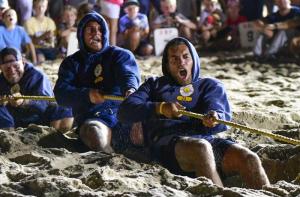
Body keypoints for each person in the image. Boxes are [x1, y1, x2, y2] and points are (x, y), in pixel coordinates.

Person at [118, 37, 270, 189]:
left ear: (194, 59)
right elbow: (125, 110)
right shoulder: (154, 84)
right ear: (167, 64)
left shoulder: (210, 85)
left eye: (186, 57)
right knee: (201, 148)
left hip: (207, 140)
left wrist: (214, 118)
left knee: (249, 158)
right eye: (174, 59)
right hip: (168, 145)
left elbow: (218, 112)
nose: (181, 62)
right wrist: (160, 108)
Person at [54, 12, 141, 153]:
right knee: (94, 133)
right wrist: (86, 95)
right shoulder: (71, 63)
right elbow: (60, 94)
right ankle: (110, 160)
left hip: (124, 113)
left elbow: (128, 74)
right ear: (81, 34)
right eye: (91, 30)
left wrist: (130, 89)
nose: (96, 33)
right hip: (94, 117)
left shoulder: (120, 54)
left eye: (100, 29)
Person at [0, 47, 73, 131]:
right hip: (13, 120)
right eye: (7, 68)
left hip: (39, 119)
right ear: (1, 68)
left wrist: (24, 101)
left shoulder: (37, 76)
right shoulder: (1, 80)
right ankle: (6, 137)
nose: (12, 71)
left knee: (63, 105)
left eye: (16, 66)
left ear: (23, 63)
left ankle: (54, 137)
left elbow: (44, 104)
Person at [24, 0, 58, 64]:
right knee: (40, 58)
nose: (41, 9)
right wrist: (44, 35)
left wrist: (51, 38)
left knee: (62, 57)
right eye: (38, 7)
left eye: (43, 6)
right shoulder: (29, 22)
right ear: (34, 7)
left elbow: (53, 41)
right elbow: (31, 42)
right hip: (35, 49)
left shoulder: (50, 21)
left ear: (46, 7)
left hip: (49, 48)